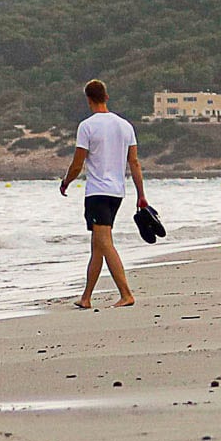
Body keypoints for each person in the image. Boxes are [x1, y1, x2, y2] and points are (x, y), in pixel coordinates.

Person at [57, 78, 147, 309]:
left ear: (88, 100)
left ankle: (126, 293)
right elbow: (134, 163)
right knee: (97, 245)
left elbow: (78, 164)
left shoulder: (87, 126)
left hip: (97, 193)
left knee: (104, 243)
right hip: (117, 193)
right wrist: (141, 194)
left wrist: (66, 182)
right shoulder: (125, 125)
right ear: (106, 96)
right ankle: (86, 297)